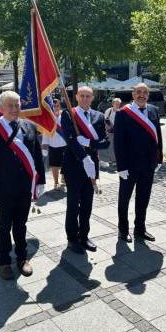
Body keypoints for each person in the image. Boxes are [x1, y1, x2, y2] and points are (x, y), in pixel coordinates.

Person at [0, 91, 46, 280]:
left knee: (21, 225)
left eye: (17, 105)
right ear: (0, 108)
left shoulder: (30, 126)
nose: (15, 109)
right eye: (10, 105)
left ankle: (22, 258)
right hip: (3, 188)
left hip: (24, 187)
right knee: (4, 226)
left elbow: (37, 156)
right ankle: (4, 261)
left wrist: (40, 181)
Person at [61, 86, 109, 254]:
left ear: (93, 97)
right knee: (73, 204)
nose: (85, 98)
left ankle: (84, 236)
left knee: (87, 203)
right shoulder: (68, 114)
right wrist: (83, 157)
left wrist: (89, 142)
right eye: (82, 95)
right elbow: (70, 139)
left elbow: (105, 142)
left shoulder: (99, 116)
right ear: (76, 96)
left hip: (92, 166)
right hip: (74, 165)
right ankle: (72, 238)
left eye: (88, 96)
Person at [114, 83, 163, 242]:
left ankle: (140, 229)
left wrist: (159, 158)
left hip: (148, 165)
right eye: (138, 92)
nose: (142, 95)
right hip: (129, 166)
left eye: (145, 92)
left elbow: (158, 137)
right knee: (124, 199)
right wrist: (121, 166)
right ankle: (123, 230)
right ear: (133, 94)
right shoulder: (123, 113)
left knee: (143, 198)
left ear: (148, 95)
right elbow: (118, 142)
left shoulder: (154, 110)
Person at [41, 99, 66, 190]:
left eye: (57, 106)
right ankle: (56, 182)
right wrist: (44, 145)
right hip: (53, 144)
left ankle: (64, 178)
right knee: (54, 165)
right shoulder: (48, 117)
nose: (55, 108)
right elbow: (45, 131)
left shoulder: (64, 115)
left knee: (65, 164)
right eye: (53, 106)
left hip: (64, 144)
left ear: (60, 106)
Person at [104, 98, 122, 164]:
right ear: (112, 104)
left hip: (119, 131)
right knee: (111, 145)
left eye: (119, 104)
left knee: (119, 146)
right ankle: (113, 160)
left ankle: (118, 159)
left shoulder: (121, 111)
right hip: (110, 131)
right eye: (116, 104)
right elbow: (106, 120)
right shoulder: (108, 111)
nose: (117, 105)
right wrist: (110, 127)